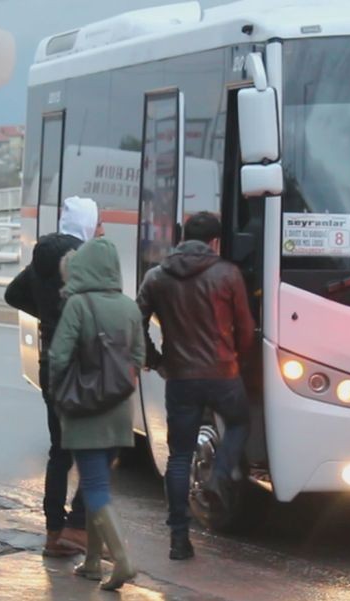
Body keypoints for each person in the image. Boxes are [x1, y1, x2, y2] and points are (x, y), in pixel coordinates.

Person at [136, 211, 254, 560]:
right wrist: (237, 361)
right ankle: (219, 477)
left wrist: (155, 360)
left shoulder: (157, 276)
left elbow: (135, 322)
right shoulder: (228, 274)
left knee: (179, 457)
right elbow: (245, 329)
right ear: (215, 242)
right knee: (238, 423)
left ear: (183, 236)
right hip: (223, 374)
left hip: (180, 378)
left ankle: (178, 538)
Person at [3, 195, 98, 556]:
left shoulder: (41, 259)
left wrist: (46, 314)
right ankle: (77, 527)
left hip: (51, 365)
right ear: (88, 225)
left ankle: (53, 533)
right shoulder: (84, 261)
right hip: (82, 366)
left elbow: (13, 294)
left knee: (60, 452)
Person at [48, 237, 145, 591]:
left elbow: (59, 357)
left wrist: (61, 393)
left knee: (95, 487)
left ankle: (122, 560)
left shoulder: (77, 304)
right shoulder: (129, 306)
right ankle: (91, 562)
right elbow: (139, 359)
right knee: (96, 486)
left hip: (84, 410)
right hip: (119, 412)